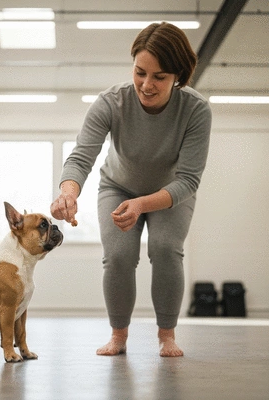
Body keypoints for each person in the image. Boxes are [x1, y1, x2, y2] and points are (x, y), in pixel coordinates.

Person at [50, 22, 212, 357]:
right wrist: (68, 192)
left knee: (166, 248)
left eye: (159, 77)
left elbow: (188, 180)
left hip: (171, 193)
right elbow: (81, 157)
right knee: (120, 256)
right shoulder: (111, 102)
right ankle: (118, 336)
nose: (146, 84)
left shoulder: (195, 110)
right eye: (140, 72)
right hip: (118, 187)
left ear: (178, 77)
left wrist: (144, 204)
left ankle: (166, 335)